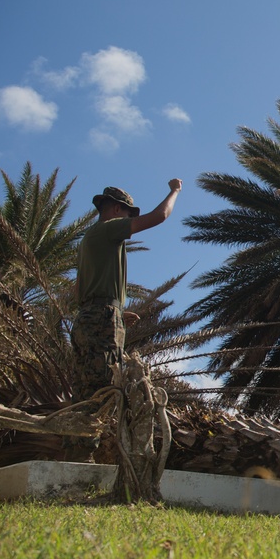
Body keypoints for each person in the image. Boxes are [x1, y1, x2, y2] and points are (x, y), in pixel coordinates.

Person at [66, 179, 182, 459]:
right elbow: (160, 217)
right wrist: (174, 191)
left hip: (87, 317)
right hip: (101, 317)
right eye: (129, 214)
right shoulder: (108, 229)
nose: (131, 221)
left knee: (82, 389)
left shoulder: (86, 241)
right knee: (103, 388)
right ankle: (84, 458)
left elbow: (79, 290)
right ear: (117, 209)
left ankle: (72, 452)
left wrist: (115, 312)